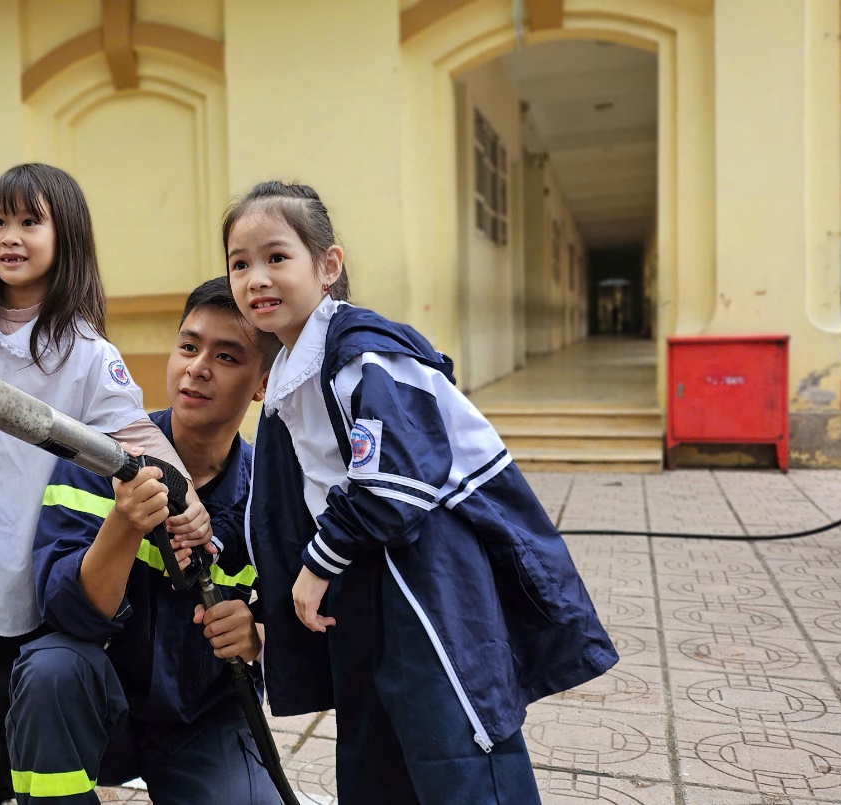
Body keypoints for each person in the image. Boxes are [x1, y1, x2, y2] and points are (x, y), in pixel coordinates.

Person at [224, 181, 618, 804]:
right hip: (365, 571)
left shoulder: (364, 353)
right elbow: (282, 505)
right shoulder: (291, 375)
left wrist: (318, 564)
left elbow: (399, 480)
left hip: (427, 573)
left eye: (277, 257)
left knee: (454, 733)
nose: (257, 279)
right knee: (375, 741)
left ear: (328, 266)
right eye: (240, 264)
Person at [0, 164, 212, 805]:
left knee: (15, 719)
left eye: (30, 222)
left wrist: (186, 500)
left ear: (67, 238)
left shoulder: (86, 353)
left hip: (20, 574)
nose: (10, 236)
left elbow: (135, 435)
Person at [6, 277, 281, 804]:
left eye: (226, 357)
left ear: (262, 383)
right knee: (50, 669)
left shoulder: (269, 496)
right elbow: (69, 613)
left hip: (204, 716)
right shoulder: (100, 458)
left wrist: (255, 637)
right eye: (189, 347)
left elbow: (304, 622)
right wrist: (125, 523)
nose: (197, 368)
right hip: (101, 707)